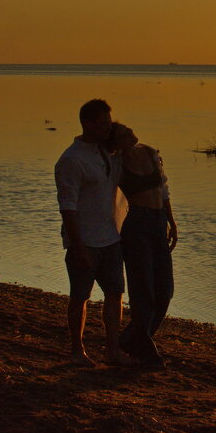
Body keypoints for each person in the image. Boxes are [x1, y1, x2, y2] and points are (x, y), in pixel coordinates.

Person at [54, 98, 130, 367]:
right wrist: (78, 246)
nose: (109, 129)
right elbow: (68, 207)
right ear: (88, 124)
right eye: (104, 124)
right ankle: (77, 350)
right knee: (80, 296)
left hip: (111, 237)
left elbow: (130, 139)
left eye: (110, 124)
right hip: (84, 240)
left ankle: (113, 351)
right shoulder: (72, 160)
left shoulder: (106, 152)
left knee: (115, 293)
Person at [107, 123, 177, 369]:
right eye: (123, 133)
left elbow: (163, 189)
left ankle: (131, 339)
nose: (130, 131)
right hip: (136, 226)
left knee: (165, 290)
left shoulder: (149, 151)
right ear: (116, 142)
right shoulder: (116, 164)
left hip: (158, 224)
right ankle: (145, 348)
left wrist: (171, 221)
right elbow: (102, 192)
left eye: (128, 128)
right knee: (143, 291)